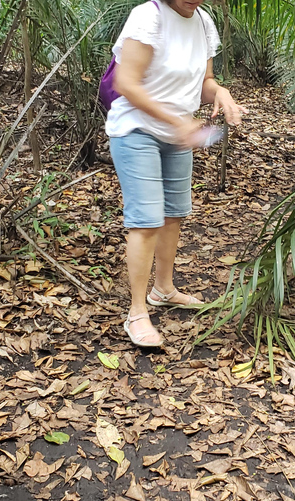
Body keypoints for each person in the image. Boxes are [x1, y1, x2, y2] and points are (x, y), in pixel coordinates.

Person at [106, 0, 247, 348]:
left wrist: (221, 93)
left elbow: (205, 82)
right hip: (137, 130)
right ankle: (137, 312)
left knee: (173, 215)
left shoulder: (202, 22)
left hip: (178, 134)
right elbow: (127, 83)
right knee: (146, 220)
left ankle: (163, 289)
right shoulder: (149, 16)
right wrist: (177, 121)